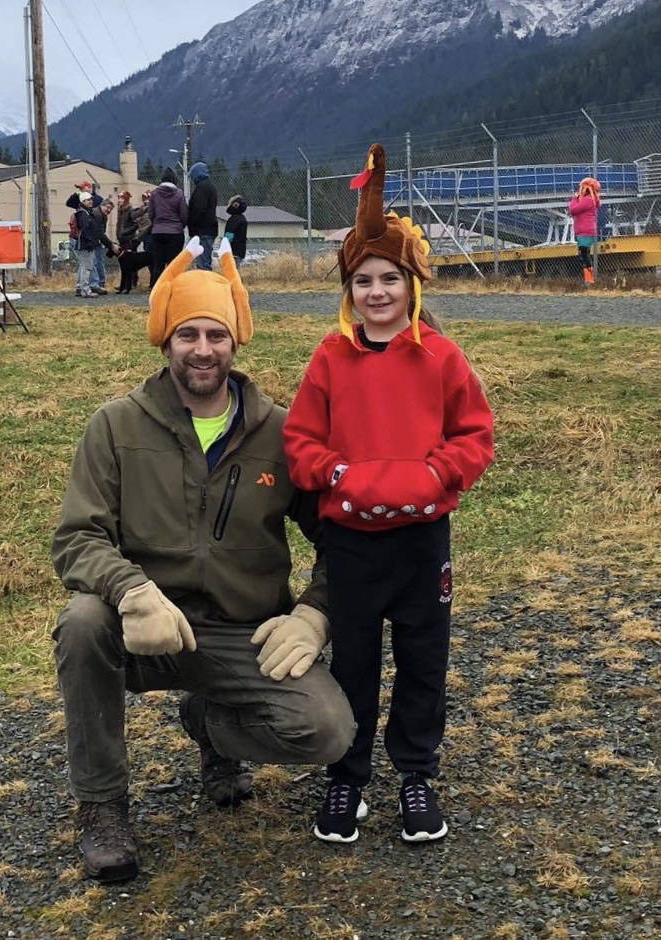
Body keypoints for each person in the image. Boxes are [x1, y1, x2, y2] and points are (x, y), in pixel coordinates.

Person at [51, 234, 356, 883]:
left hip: (243, 633)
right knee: (81, 622)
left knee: (327, 730)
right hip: (145, 629)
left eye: (215, 334)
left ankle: (210, 728)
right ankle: (102, 808)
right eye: (187, 334)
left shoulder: (282, 433)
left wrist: (314, 615)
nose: (202, 349)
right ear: (164, 340)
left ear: (235, 341)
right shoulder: (115, 426)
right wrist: (131, 593)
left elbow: (338, 539)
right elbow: (77, 537)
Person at [283, 144, 494, 847]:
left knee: (422, 657)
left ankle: (415, 774)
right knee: (354, 661)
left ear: (412, 284)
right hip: (350, 541)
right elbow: (302, 443)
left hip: (419, 539)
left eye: (389, 279)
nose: (376, 293)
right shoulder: (329, 358)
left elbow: (474, 434)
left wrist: (435, 476)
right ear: (347, 289)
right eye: (363, 281)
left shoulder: (440, 356)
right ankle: (346, 778)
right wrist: (338, 477)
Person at [65, 189, 113, 298]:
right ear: (83, 201)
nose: (90, 201)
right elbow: (86, 229)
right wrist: (90, 242)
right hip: (85, 245)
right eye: (87, 200)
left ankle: (80, 288)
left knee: (83, 266)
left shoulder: (85, 212)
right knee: (86, 267)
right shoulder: (84, 213)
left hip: (84, 243)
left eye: (91, 199)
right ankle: (85, 290)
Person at [148, 167, 187, 288]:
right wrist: (180, 226)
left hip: (158, 232)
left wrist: (156, 224)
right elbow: (184, 214)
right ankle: (175, 287)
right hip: (175, 233)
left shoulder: (154, 194)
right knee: (173, 263)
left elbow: (151, 213)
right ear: (174, 180)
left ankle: (156, 288)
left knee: (158, 264)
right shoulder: (179, 194)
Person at [568, 177, 601, 285]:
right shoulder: (590, 200)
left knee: (584, 256)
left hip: (585, 232)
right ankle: (589, 280)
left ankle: (589, 280)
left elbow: (573, 210)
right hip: (586, 232)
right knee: (584, 255)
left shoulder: (588, 200)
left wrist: (574, 199)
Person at [187, 162, 218, 271]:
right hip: (209, 229)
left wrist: (191, 222)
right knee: (206, 260)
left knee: (203, 263)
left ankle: (205, 285)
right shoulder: (209, 186)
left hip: (202, 230)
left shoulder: (202, 188)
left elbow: (199, 209)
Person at [92, 198, 115, 290]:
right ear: (102, 205)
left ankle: (99, 283)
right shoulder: (97, 215)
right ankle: (97, 284)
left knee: (98, 262)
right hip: (92, 241)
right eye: (107, 207)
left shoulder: (103, 215)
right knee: (94, 263)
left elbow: (101, 233)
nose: (109, 210)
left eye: (111, 209)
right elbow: (99, 233)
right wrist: (111, 245)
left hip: (96, 241)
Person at [223, 195, 248, 268]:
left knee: (232, 268)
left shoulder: (233, 219)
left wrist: (225, 245)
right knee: (236, 268)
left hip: (233, 249)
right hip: (240, 250)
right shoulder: (242, 218)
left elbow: (229, 234)